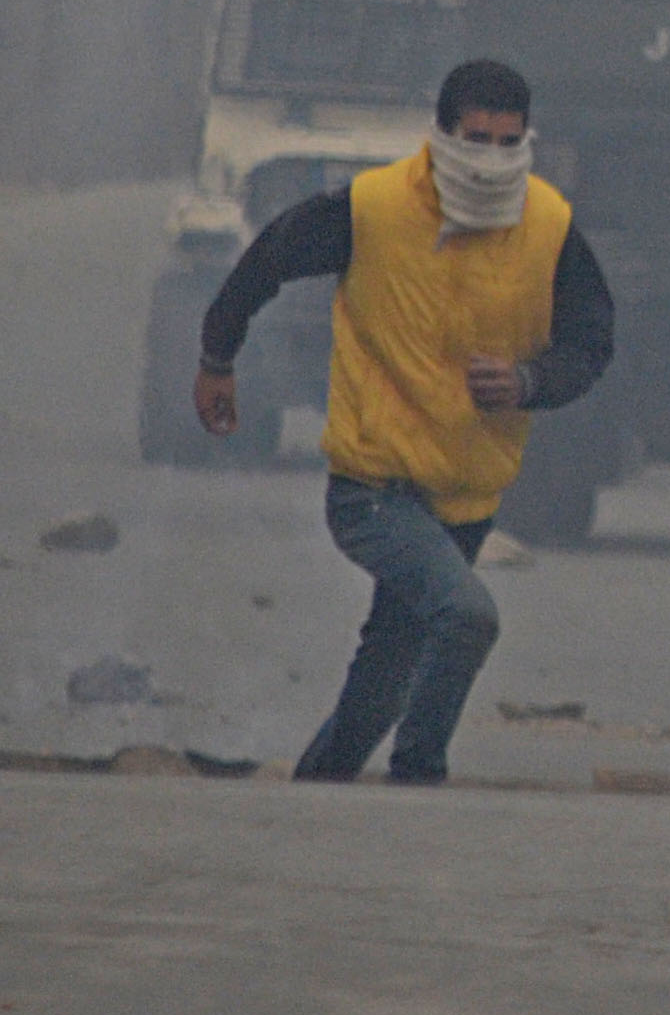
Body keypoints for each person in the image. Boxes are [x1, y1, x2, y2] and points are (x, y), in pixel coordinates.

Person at [194, 58, 613, 784]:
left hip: (467, 493)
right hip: (374, 486)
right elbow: (267, 259)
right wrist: (215, 357)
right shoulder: (374, 208)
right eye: (474, 138)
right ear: (441, 135)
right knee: (468, 617)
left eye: (505, 142)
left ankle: (314, 793)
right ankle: (419, 779)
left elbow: (590, 343)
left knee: (383, 679)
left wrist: (526, 381)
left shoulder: (548, 224)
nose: (488, 159)